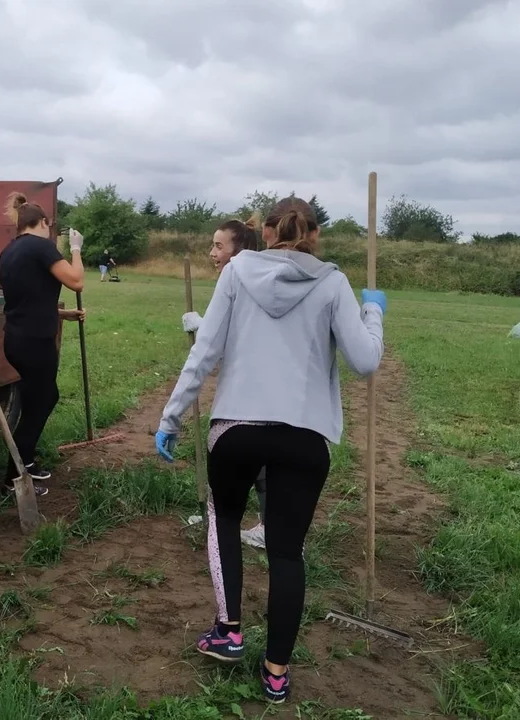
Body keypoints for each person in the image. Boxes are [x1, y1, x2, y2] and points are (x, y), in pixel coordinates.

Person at [154, 196, 386, 704]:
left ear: (263, 231)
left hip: (236, 429)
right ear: (315, 233)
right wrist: (373, 313)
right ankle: (276, 673)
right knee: (286, 551)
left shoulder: (236, 272)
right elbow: (365, 360)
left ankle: (229, 631)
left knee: (225, 520)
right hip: (304, 437)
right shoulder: (333, 282)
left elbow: (206, 350)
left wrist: (170, 417)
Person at [182, 216, 267, 550]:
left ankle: (250, 525)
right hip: (253, 380)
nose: (211, 252)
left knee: (250, 460)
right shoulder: (246, 277)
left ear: (239, 250)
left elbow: (231, 337)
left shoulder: (244, 279)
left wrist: (201, 327)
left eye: (218, 245)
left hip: (255, 383)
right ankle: (259, 523)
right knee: (259, 461)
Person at [0, 192, 86, 495]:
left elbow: (29, 298)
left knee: (37, 400)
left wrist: (63, 313)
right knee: (43, 401)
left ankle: (26, 461)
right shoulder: (41, 247)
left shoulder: (9, 251)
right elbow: (76, 281)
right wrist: (75, 250)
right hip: (36, 342)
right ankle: (14, 474)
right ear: (44, 223)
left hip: (17, 339)